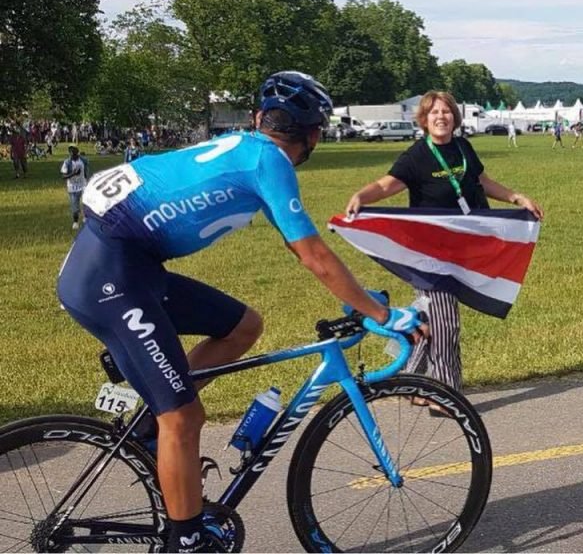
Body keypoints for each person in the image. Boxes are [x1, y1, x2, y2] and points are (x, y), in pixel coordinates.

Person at [57, 71, 423, 553]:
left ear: (258, 119)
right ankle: (185, 539)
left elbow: (303, 250)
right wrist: (379, 312)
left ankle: (151, 424)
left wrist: (360, 300)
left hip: (127, 266)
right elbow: (314, 255)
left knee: (243, 326)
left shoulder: (247, 150)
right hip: (111, 277)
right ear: (313, 135)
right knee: (184, 417)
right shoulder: (269, 162)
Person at [345, 90, 543, 399]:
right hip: (429, 256)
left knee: (428, 321)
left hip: (461, 253)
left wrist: (516, 197)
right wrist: (361, 196)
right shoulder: (416, 155)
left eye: (447, 111)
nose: (441, 117)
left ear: (455, 117)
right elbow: (387, 185)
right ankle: (447, 396)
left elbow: (482, 182)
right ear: (424, 119)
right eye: (434, 112)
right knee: (447, 324)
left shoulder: (463, 148)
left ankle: (410, 382)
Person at [60, 145, 90, 229]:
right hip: (72, 186)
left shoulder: (83, 160)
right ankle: (75, 222)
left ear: (77, 151)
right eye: (70, 151)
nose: (72, 153)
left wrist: (86, 177)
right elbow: (63, 176)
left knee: (86, 201)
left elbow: (87, 166)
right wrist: (73, 174)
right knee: (75, 205)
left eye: (74, 151)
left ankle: (86, 217)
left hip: (83, 184)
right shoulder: (67, 162)